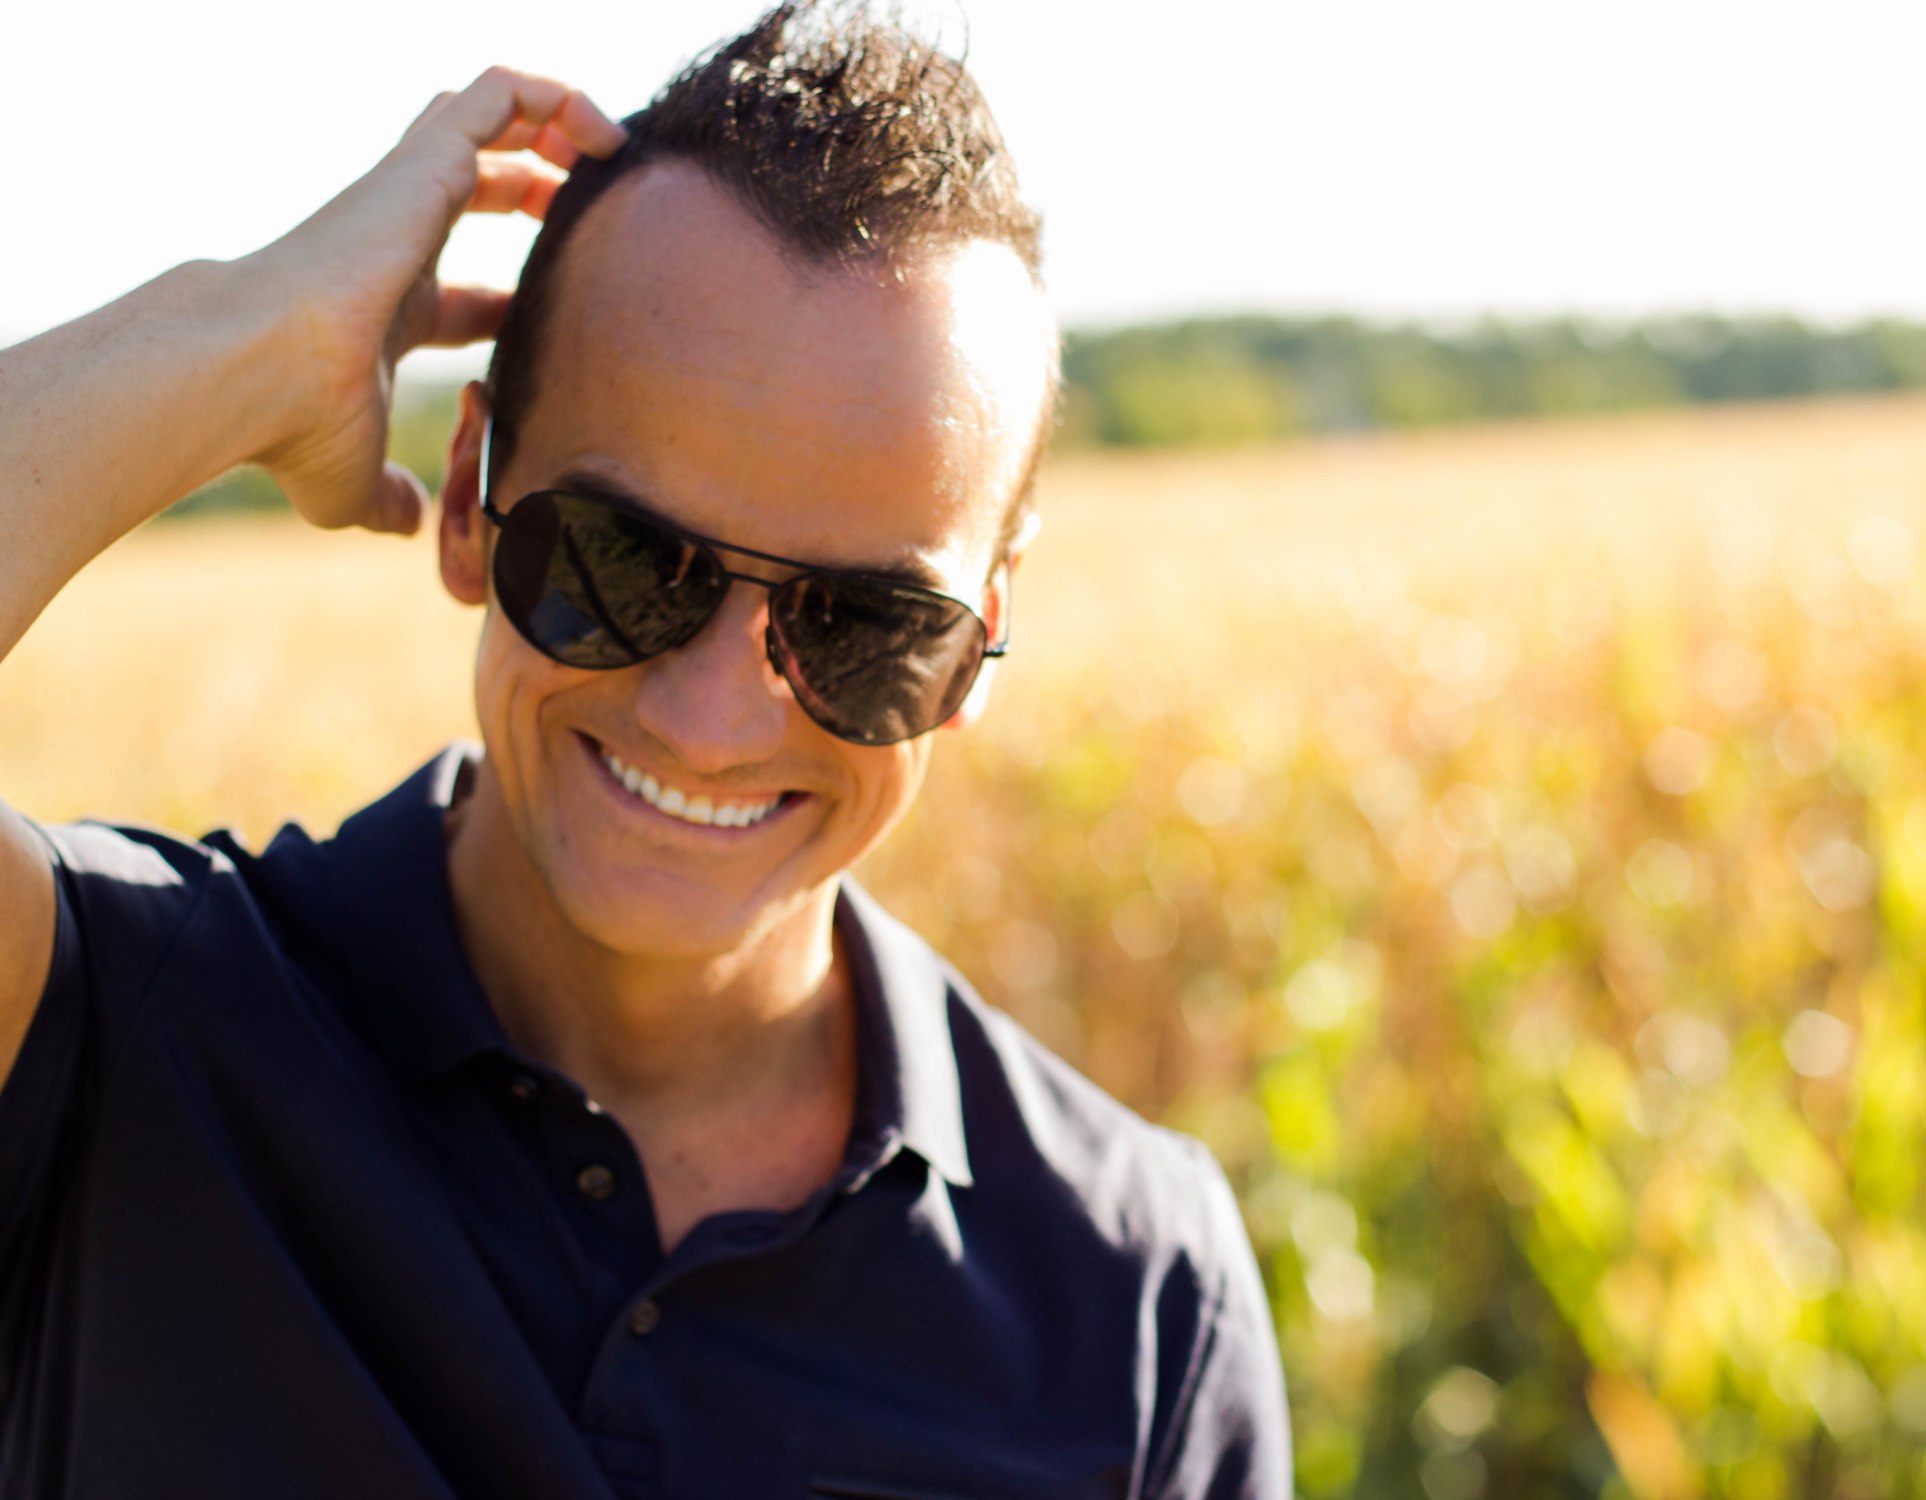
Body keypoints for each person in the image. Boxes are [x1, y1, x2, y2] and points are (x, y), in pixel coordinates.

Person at [0, 5, 1290, 1496]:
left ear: (978, 642)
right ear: (471, 503)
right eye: (621, 560)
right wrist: (253, 334)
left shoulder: (1134, 1295)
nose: (711, 720)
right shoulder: (112, 1029)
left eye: (864, 623)